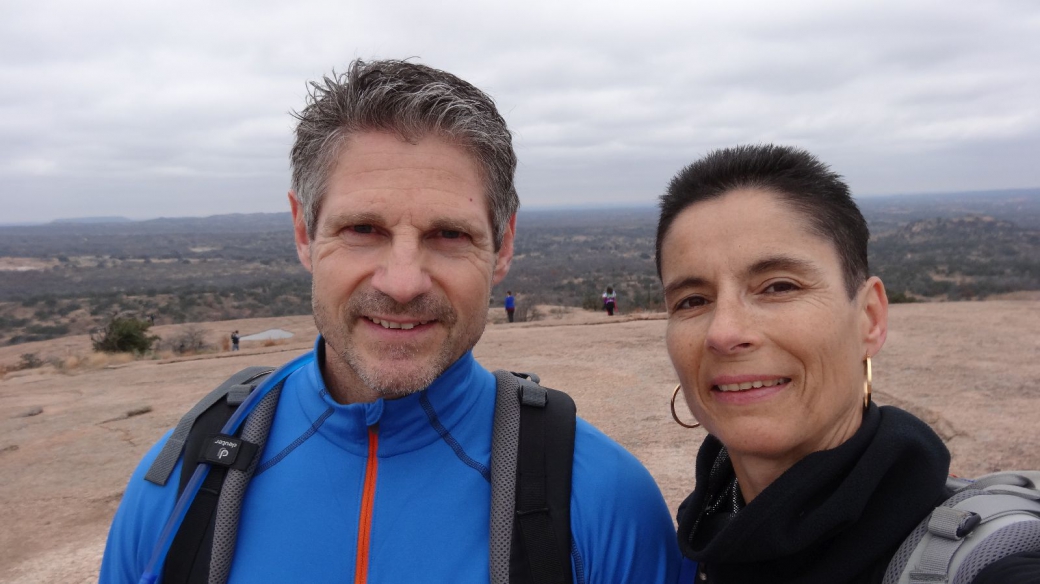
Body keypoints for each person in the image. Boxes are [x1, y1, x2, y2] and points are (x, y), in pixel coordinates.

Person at [100, 59, 680, 583]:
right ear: (304, 232)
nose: (402, 282)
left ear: (503, 246)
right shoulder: (181, 485)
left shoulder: (602, 499)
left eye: (449, 234)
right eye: (363, 229)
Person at [655, 144, 1040, 583]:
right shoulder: (697, 540)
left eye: (778, 286)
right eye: (692, 300)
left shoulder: (989, 563)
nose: (723, 333)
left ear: (869, 319)